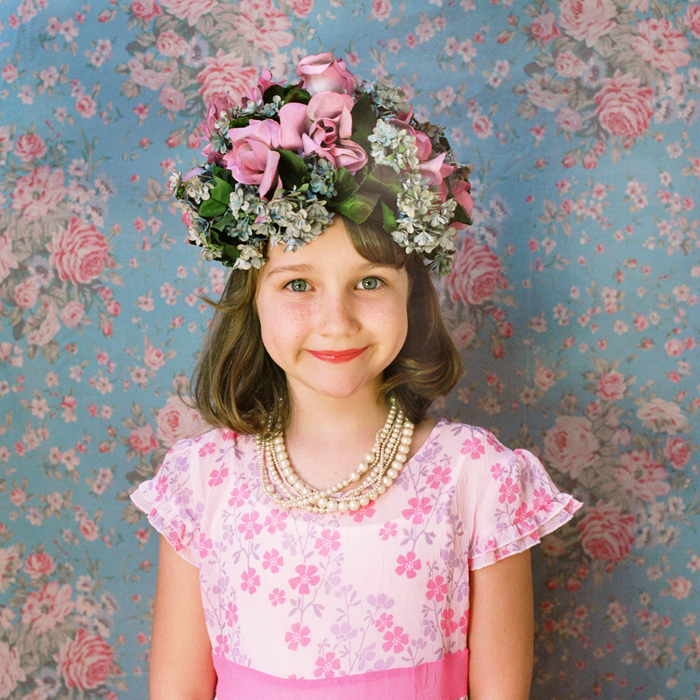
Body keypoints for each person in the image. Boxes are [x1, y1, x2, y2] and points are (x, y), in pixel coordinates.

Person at [131, 52, 582, 700]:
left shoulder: (477, 479)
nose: (336, 321)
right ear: (250, 299)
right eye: (298, 285)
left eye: (369, 282)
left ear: (412, 295)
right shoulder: (203, 484)